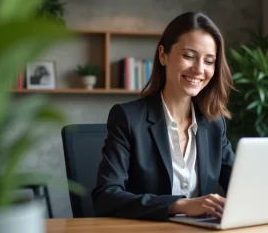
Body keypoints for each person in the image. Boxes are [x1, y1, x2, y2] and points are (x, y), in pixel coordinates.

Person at [91, 11, 236, 221]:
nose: (199, 69)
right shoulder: (128, 118)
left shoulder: (214, 123)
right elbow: (105, 197)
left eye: (209, 61)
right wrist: (179, 205)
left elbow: (242, 185)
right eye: (189, 56)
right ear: (162, 55)